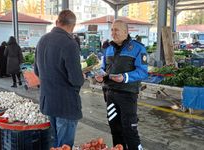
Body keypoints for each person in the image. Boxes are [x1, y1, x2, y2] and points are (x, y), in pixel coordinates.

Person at [34, 10, 84, 148]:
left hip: (48, 102)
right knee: (64, 146)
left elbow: (36, 71)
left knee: (55, 144)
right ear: (73, 26)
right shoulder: (70, 44)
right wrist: (82, 76)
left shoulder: (42, 40)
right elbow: (76, 80)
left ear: (57, 22)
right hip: (66, 105)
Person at [95, 20, 148, 150]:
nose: (113, 33)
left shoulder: (138, 48)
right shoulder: (108, 49)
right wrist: (100, 77)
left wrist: (125, 77)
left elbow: (143, 71)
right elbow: (104, 69)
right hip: (110, 95)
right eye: (112, 30)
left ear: (125, 31)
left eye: (116, 30)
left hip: (128, 96)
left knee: (130, 130)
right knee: (115, 129)